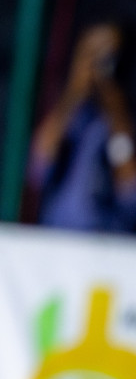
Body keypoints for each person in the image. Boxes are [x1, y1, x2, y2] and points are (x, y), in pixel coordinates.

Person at [28, 18, 136, 233]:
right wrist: (74, 91)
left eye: (109, 57)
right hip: (55, 238)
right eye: (92, 54)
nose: (100, 65)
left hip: (107, 245)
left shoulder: (125, 117)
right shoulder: (63, 110)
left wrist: (115, 110)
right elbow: (37, 169)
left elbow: (130, 190)